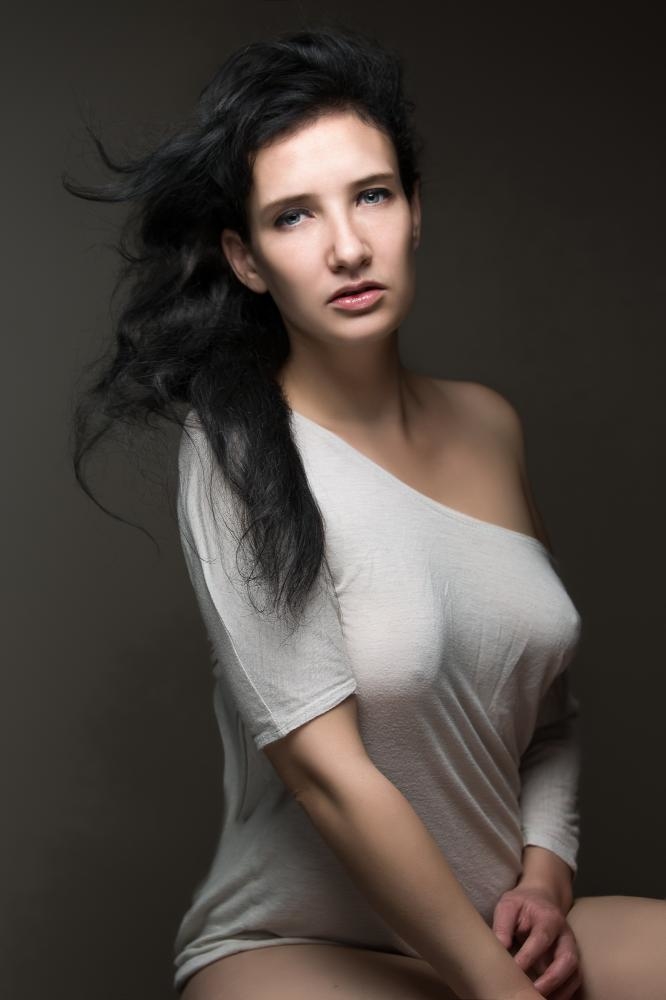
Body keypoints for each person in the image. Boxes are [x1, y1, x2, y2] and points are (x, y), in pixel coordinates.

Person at [63, 22, 666, 1000]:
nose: (347, 247)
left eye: (372, 196)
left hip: (494, 928)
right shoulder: (236, 448)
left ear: (415, 211)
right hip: (293, 949)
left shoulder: (491, 426)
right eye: (294, 216)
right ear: (246, 258)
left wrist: (545, 878)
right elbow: (330, 780)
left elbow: (550, 717)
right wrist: (497, 991)